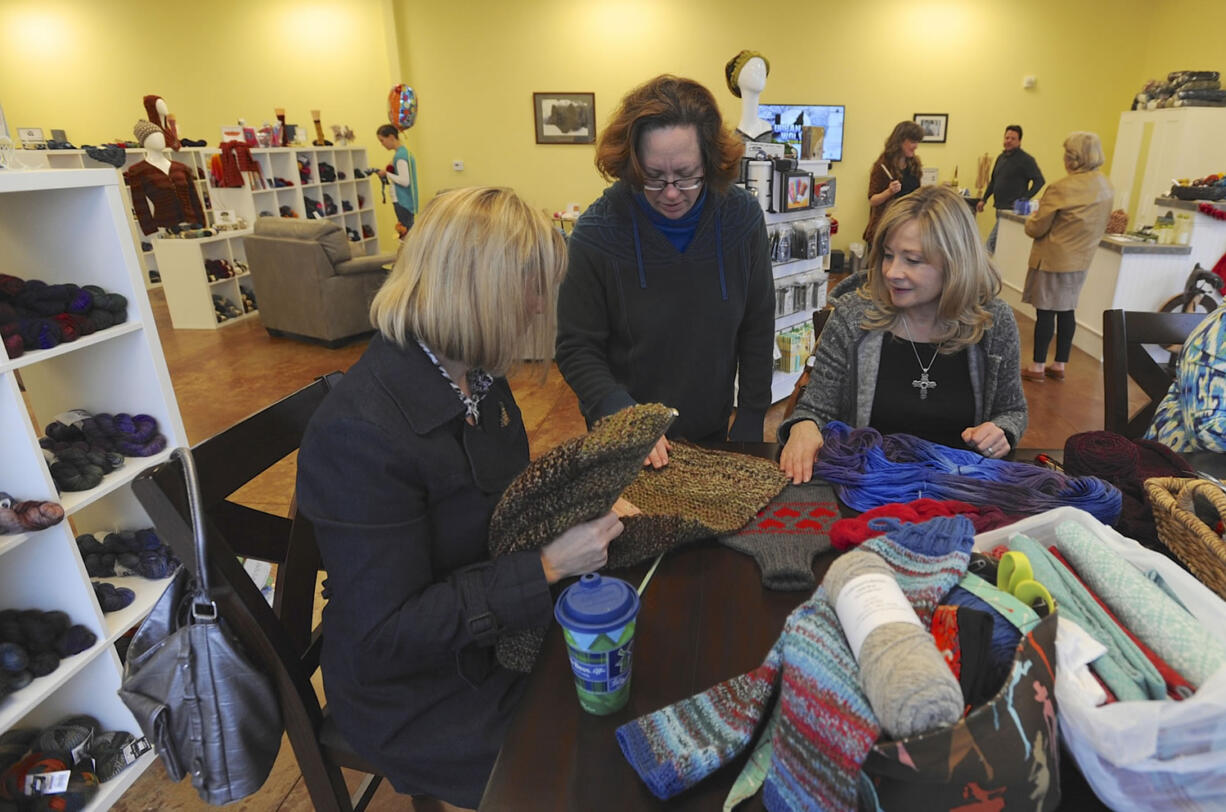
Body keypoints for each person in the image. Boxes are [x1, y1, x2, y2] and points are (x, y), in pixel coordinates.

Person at [295, 187, 626, 808]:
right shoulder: (360, 436)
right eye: (531, 288)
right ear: (480, 292)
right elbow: (385, 634)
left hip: (479, 637)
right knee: (602, 756)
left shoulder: (475, 378)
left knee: (628, 668)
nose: (538, 306)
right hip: (414, 693)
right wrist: (549, 565)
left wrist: (581, 503)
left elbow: (506, 501)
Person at [555, 74, 774, 469]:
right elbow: (576, 347)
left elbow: (757, 325)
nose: (671, 192)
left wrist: (752, 415)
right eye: (653, 177)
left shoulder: (741, 218)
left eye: (687, 175)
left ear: (709, 160)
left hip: (711, 430)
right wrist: (623, 415)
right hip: (626, 441)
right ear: (631, 164)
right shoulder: (596, 234)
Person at [779, 185, 1028, 484]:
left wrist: (1003, 431)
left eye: (912, 260)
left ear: (955, 263)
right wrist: (803, 426)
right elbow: (815, 408)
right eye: (888, 255)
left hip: (959, 489)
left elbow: (1012, 410)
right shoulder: (853, 316)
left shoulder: (993, 322)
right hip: (867, 486)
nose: (892, 272)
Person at [1021, 132, 1113, 383]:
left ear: (1074, 159)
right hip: (1081, 260)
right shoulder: (1105, 185)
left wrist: (1030, 219)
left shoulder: (1062, 187)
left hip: (1053, 259)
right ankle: (1060, 363)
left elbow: (1036, 227)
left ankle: (1038, 366)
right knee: (1067, 311)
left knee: (1046, 313)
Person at [977, 125, 1045, 253]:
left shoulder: (1026, 160)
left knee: (989, 247)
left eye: (1013, 138)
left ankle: (984, 270)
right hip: (999, 208)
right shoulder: (1001, 158)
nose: (1008, 141)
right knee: (999, 246)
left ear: (1019, 141)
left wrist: (1024, 198)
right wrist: (984, 199)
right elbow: (993, 181)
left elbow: (1039, 181)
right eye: (1007, 137)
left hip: (1011, 211)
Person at [863, 120, 925, 244]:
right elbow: (873, 200)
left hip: (908, 224)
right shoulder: (882, 165)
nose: (916, 146)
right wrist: (889, 192)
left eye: (917, 142)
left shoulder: (914, 164)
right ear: (900, 140)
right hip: (886, 227)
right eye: (913, 141)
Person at [375, 123, 418, 236]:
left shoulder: (400, 156)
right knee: (406, 232)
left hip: (402, 201)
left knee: (406, 234)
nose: (382, 144)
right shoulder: (403, 154)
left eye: (382, 140)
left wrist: (387, 174)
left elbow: (405, 181)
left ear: (391, 137)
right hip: (405, 201)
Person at [725, 49, 772, 141]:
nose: (760, 74)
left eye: (762, 70)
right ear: (736, 79)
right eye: (753, 69)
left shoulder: (768, 129)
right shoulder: (732, 140)